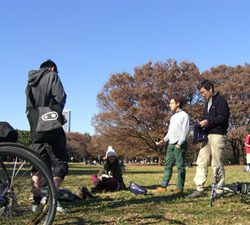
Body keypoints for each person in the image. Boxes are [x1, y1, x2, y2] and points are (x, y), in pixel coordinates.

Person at [25, 59, 69, 213]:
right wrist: (55, 113)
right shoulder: (52, 76)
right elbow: (61, 97)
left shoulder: (30, 81)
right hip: (50, 124)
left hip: (35, 126)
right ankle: (51, 198)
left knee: (37, 163)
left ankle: (36, 203)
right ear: (51, 68)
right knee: (61, 162)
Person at [187, 79, 230, 198]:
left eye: (203, 92)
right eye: (200, 93)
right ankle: (199, 188)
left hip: (218, 135)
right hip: (206, 136)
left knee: (217, 162)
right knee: (201, 161)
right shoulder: (207, 103)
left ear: (210, 89)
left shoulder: (221, 101)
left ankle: (218, 190)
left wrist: (208, 122)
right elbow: (206, 118)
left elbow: (223, 117)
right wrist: (201, 122)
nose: (202, 95)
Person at [153, 95, 190, 194]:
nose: (170, 105)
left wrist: (180, 143)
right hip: (171, 144)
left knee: (180, 166)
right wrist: (163, 141)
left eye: (172, 103)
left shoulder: (184, 115)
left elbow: (185, 131)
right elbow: (170, 133)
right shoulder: (173, 117)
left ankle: (179, 188)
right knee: (167, 165)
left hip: (179, 145)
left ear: (178, 104)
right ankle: (163, 186)